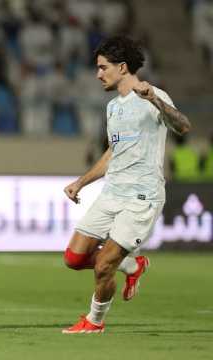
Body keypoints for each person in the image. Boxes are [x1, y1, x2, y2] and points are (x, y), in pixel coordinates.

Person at [61, 36, 191, 334]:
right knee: (74, 258)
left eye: (102, 68)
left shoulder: (153, 95)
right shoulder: (112, 108)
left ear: (122, 67)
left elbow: (183, 127)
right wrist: (81, 183)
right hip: (111, 193)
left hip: (141, 197)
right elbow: (113, 152)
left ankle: (94, 321)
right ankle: (133, 265)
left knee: (103, 264)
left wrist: (155, 100)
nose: (98, 74)